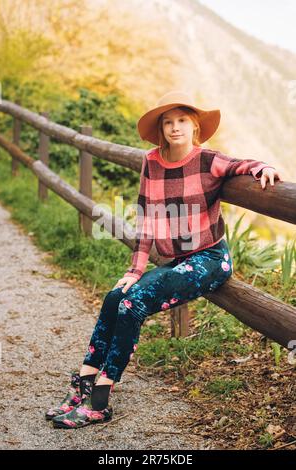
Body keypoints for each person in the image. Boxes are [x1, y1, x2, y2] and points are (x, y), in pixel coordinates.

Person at [46, 91, 282, 429]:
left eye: (182, 120)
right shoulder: (151, 162)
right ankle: (82, 383)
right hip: (175, 260)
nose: (175, 127)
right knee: (116, 296)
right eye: (168, 122)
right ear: (161, 129)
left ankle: (100, 400)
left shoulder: (207, 160)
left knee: (132, 305)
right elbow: (147, 219)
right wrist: (135, 269)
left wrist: (265, 168)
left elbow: (243, 165)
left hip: (209, 258)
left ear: (195, 125)